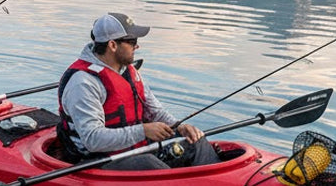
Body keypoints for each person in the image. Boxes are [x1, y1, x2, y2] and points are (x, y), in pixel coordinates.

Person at [56, 11, 220, 170]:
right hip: (96, 160)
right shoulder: (84, 83)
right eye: (132, 41)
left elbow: (155, 111)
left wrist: (179, 127)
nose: (137, 46)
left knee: (195, 140)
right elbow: (93, 140)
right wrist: (143, 131)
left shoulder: (128, 71)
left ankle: (214, 185)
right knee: (148, 165)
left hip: (133, 148)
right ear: (112, 45)